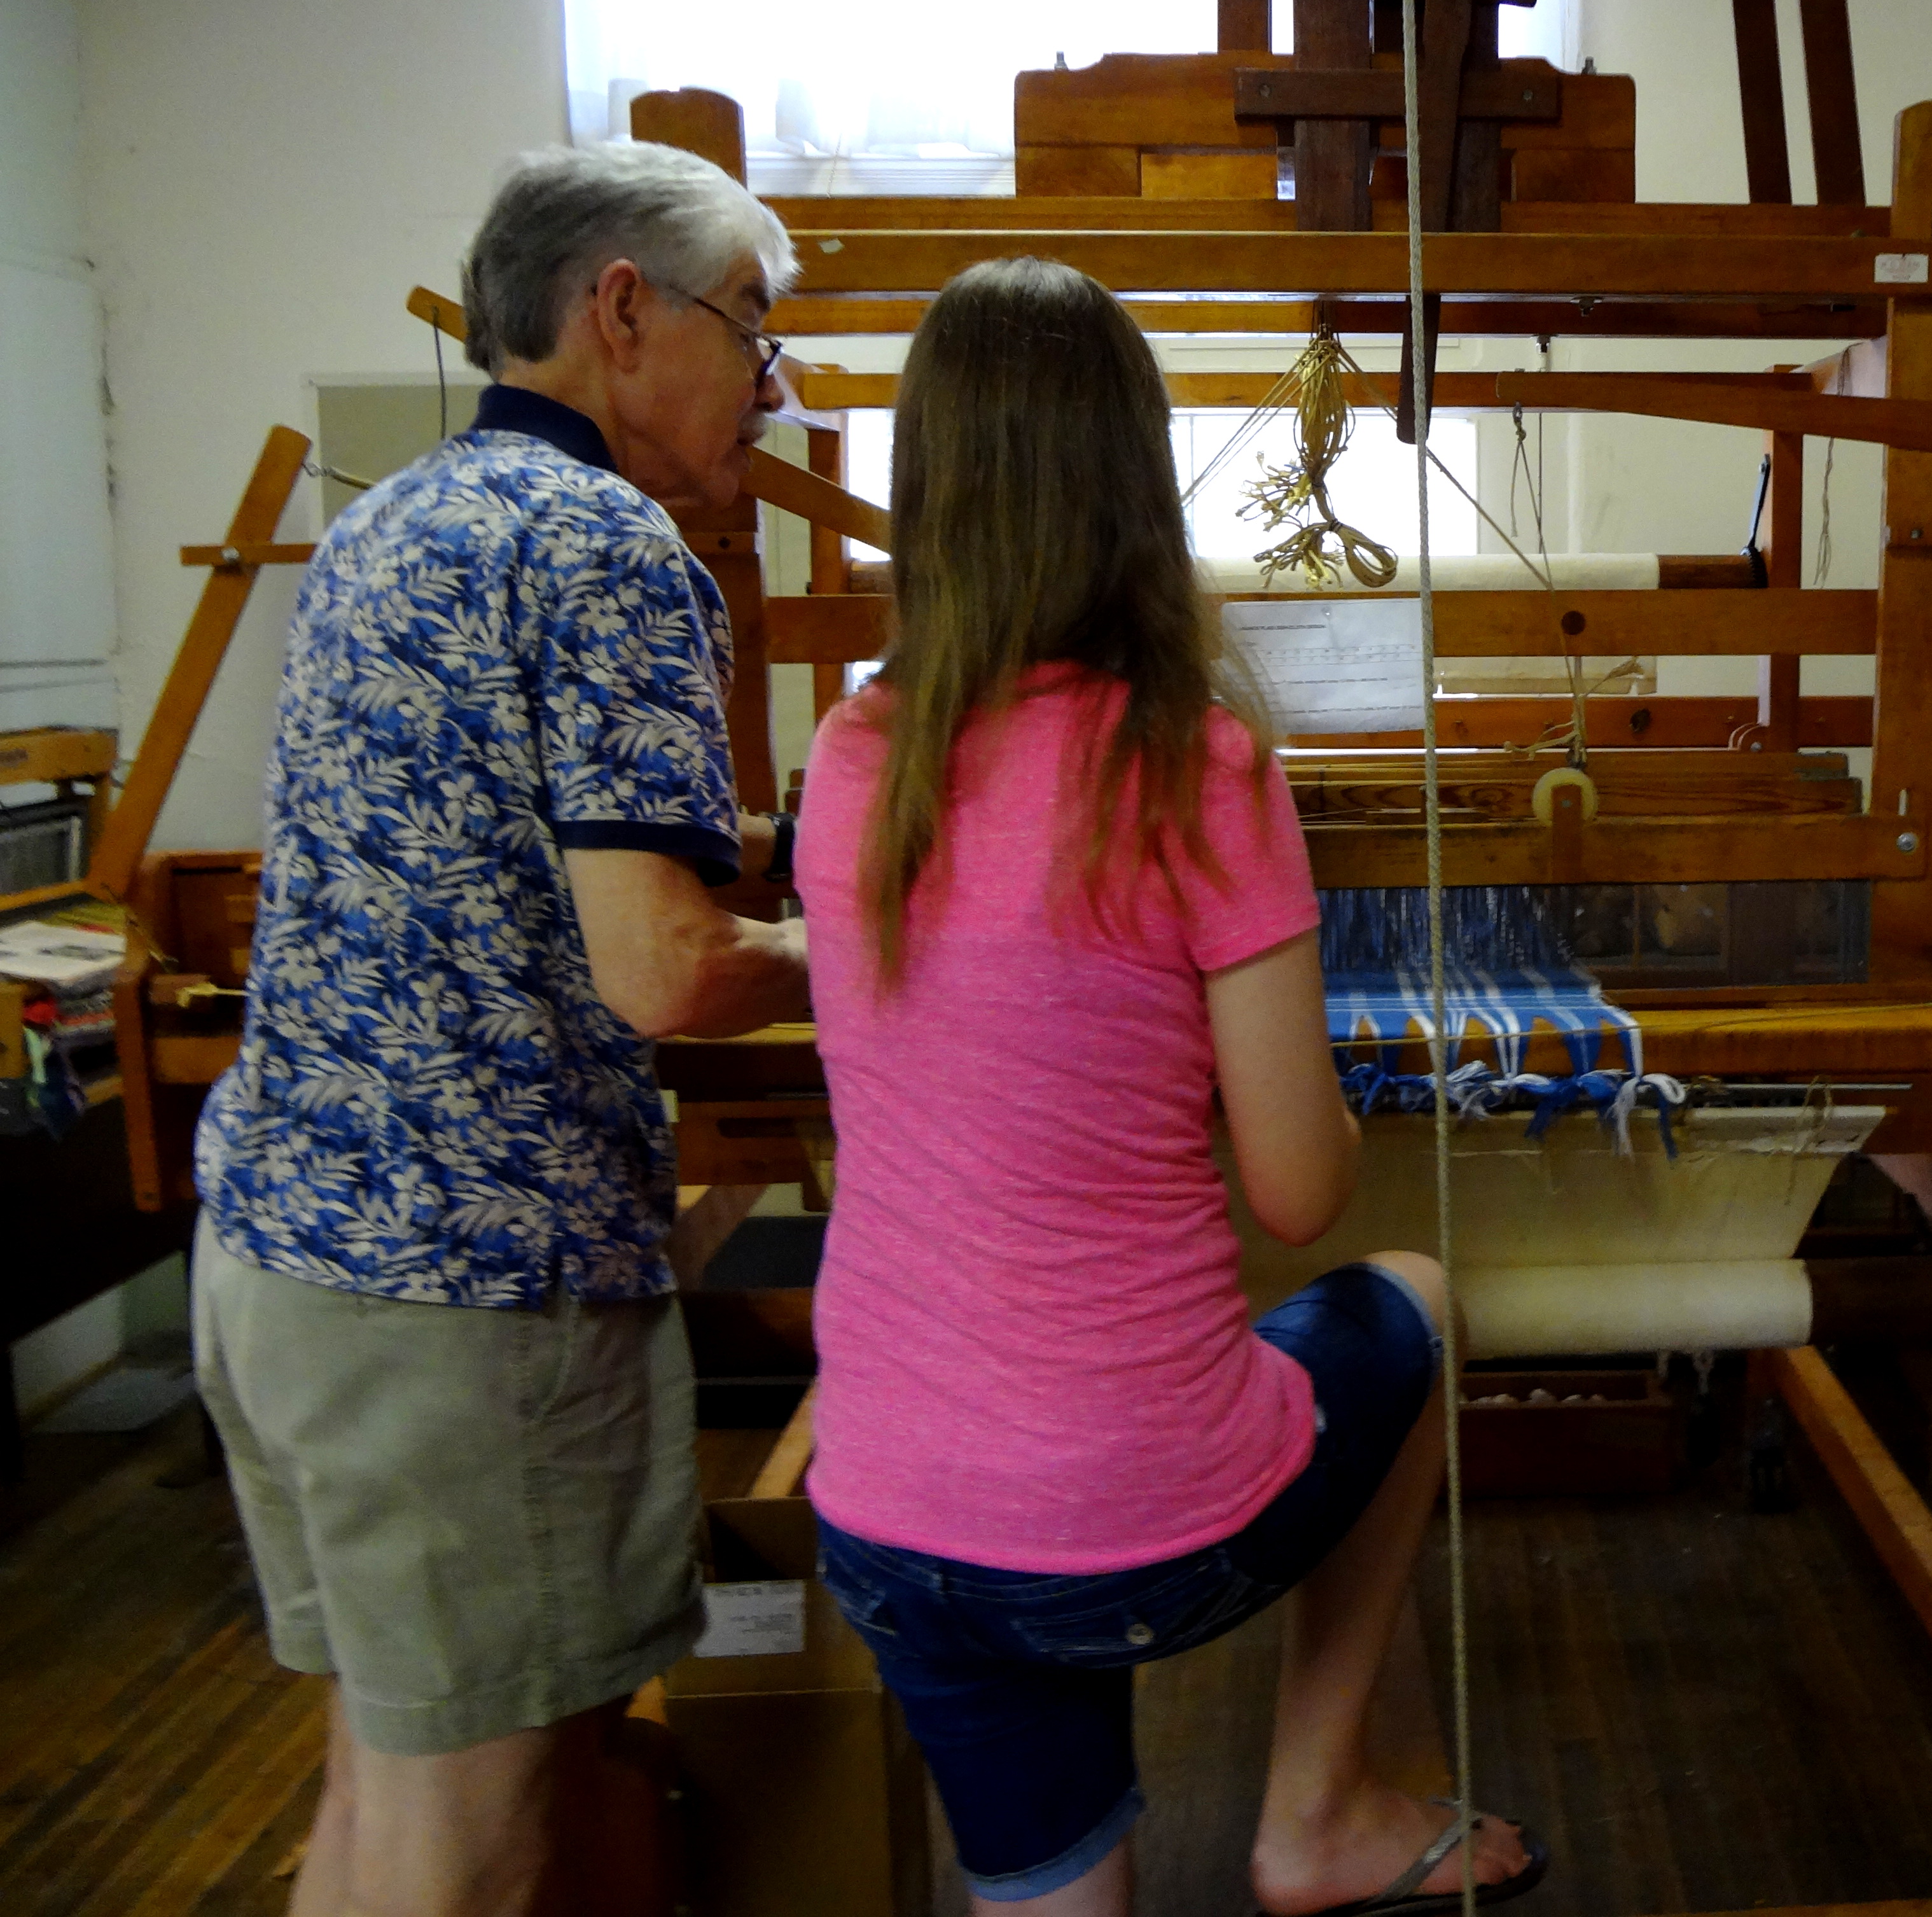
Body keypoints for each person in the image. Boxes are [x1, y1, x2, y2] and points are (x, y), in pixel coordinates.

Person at [794, 254, 1548, 1917]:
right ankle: (1314, 1812)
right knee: (1409, 1302)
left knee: (1056, 1894)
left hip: (886, 1514)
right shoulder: (1191, 764)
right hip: (1126, 1514)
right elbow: (1298, 1192)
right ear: (1138, 483)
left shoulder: (852, 759)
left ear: (924, 487)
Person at [190, 141, 811, 1917]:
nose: (768, 381)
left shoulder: (396, 515)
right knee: (466, 1848)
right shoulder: (609, 541)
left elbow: (496, 834)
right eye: (749, 326)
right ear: (622, 310)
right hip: (470, 1294)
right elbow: (668, 972)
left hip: (290, 1259)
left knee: (389, 1803)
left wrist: (754, 855)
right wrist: (867, 941)